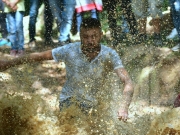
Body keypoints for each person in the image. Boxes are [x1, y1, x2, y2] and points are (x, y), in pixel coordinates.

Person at [0, 18, 134, 121]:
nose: (90, 41)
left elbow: (127, 82)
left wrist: (124, 108)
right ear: (80, 36)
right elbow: (38, 56)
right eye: (85, 37)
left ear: (101, 35)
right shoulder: (69, 50)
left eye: (94, 36)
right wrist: (8, 64)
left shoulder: (109, 55)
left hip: (95, 103)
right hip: (70, 100)